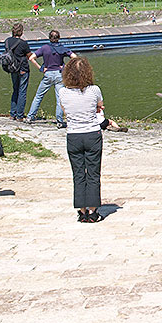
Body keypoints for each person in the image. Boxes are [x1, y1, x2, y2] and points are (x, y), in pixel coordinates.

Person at [57, 57, 104, 223]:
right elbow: (100, 106)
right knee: (93, 173)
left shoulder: (62, 92)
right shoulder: (94, 90)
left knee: (78, 174)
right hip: (92, 134)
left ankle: (82, 211)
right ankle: (93, 211)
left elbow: (64, 109)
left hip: (74, 135)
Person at [26, 30, 77, 127]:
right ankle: (59, 121)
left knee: (38, 96)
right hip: (59, 74)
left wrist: (41, 68)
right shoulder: (62, 48)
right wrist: (66, 67)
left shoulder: (44, 48)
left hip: (48, 74)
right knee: (59, 98)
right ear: (58, 38)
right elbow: (74, 57)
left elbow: (31, 58)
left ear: (49, 38)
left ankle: (30, 117)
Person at [4, 23, 32, 121]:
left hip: (12, 68)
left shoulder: (7, 41)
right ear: (21, 32)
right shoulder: (23, 43)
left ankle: (13, 114)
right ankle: (20, 115)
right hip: (22, 69)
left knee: (15, 90)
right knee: (22, 91)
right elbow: (29, 55)